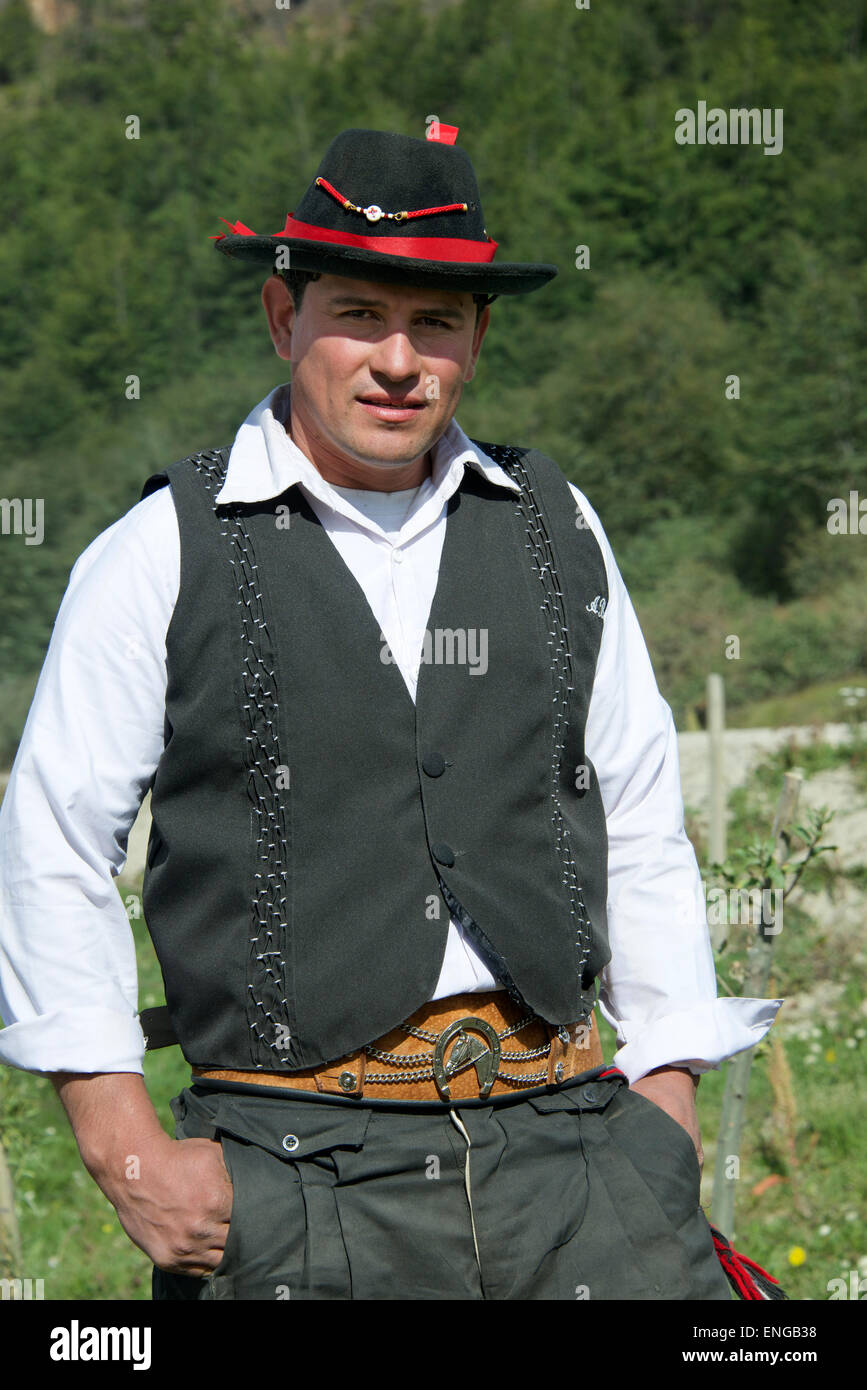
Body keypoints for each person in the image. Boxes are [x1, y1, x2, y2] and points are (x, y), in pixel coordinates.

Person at [0, 125, 781, 1301]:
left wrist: (667, 1089)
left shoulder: (557, 524)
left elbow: (639, 807)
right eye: (359, 314)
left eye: (438, 323)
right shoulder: (160, 551)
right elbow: (51, 845)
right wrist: (128, 1153)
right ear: (283, 318)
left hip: (581, 1160)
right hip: (296, 1177)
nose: (398, 360)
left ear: (479, 336)